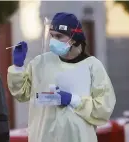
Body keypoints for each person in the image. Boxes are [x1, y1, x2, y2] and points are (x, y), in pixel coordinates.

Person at [7, 12, 116, 142]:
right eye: (52, 36)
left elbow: (104, 109)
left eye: (59, 36)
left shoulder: (92, 67)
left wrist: (73, 100)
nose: (54, 41)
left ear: (74, 38)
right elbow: (21, 93)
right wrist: (18, 67)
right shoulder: (40, 63)